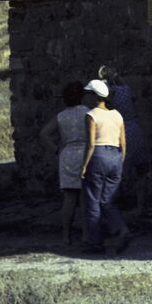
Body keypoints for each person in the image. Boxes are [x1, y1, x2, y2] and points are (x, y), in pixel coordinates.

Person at [79, 79, 129, 255]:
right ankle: (121, 229)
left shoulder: (91, 115)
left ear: (94, 96)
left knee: (92, 201)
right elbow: (123, 143)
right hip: (115, 156)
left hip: (98, 155)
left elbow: (91, 143)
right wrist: (120, 161)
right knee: (107, 200)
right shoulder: (117, 114)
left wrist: (84, 166)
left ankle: (95, 242)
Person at [99, 64, 152, 218]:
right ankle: (141, 207)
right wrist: (118, 78)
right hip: (134, 129)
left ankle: (111, 208)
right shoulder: (126, 90)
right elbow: (133, 98)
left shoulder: (108, 94)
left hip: (118, 132)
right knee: (141, 170)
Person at [39, 81, 88, 246]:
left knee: (69, 199)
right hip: (84, 155)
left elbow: (44, 134)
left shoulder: (61, 116)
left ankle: (66, 235)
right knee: (85, 198)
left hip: (67, 155)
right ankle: (85, 234)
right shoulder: (88, 114)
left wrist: (55, 150)